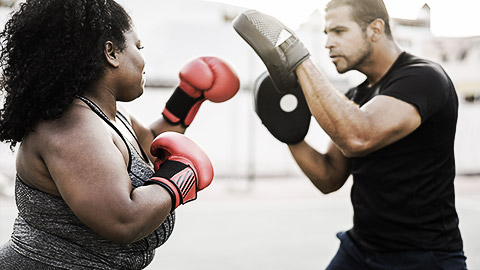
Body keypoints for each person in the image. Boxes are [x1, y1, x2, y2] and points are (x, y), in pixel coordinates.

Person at [0, 0, 239, 269]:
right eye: (138, 46)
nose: (142, 59)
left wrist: (188, 97)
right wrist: (177, 181)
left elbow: (149, 146)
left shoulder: (107, 116)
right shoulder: (72, 129)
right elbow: (123, 220)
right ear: (111, 52)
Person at [233, 0, 467, 268]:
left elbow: (358, 136)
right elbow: (328, 177)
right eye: (326, 33)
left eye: (339, 31)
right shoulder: (356, 96)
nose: (328, 43)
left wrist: (294, 53)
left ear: (375, 30)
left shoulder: (424, 77)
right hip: (361, 249)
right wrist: (288, 133)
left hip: (423, 256)